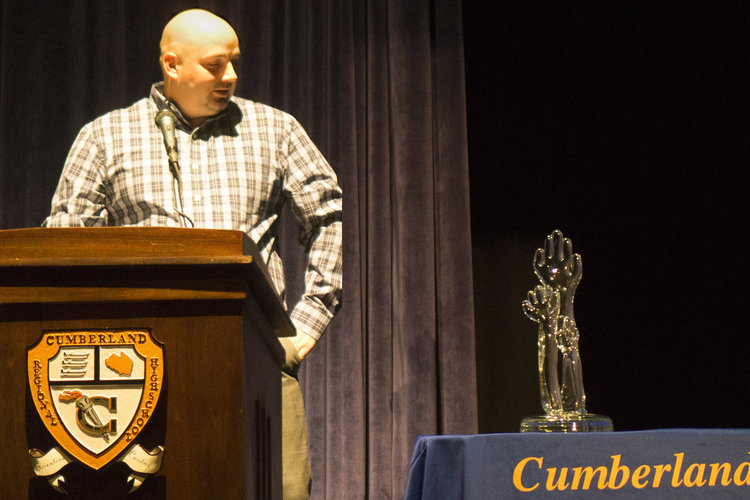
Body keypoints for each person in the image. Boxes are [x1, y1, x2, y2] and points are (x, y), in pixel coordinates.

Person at [44, 8, 342, 499]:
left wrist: (307, 324)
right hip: (136, 361)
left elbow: (326, 213)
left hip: (257, 355)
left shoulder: (276, 130)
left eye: (234, 63)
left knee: (279, 490)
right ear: (172, 64)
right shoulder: (103, 137)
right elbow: (62, 244)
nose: (231, 76)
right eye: (214, 65)